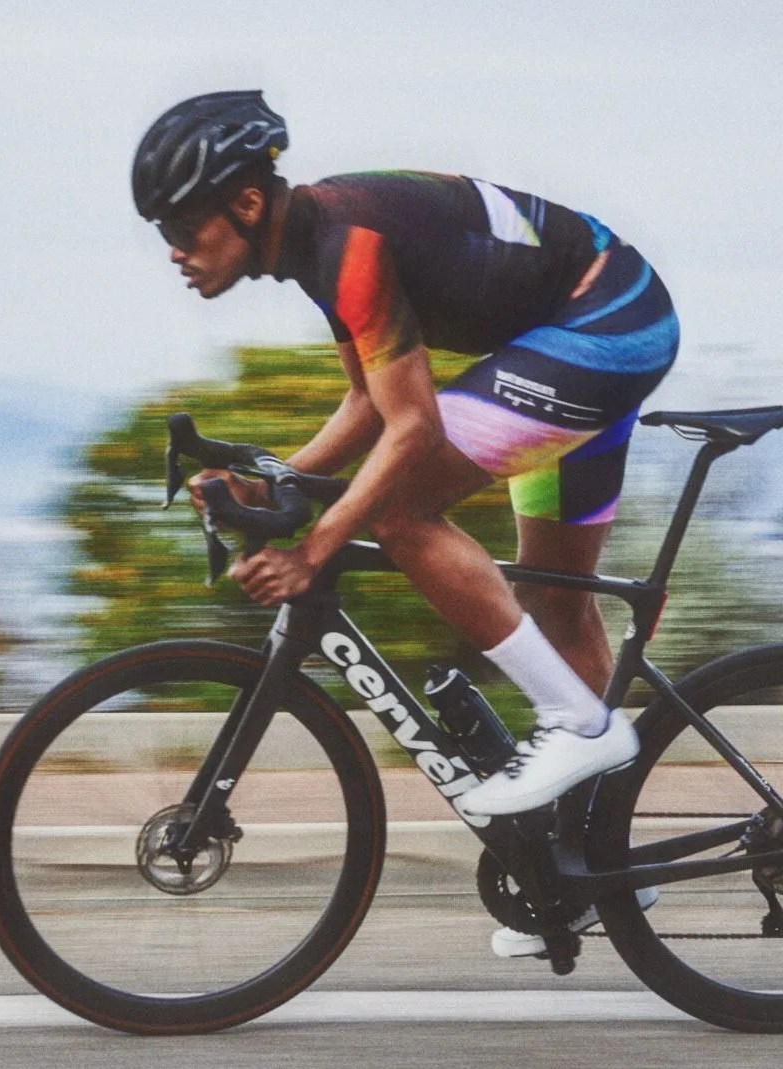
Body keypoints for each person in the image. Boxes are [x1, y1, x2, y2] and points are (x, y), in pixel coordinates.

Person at [131, 90, 679, 823]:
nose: (173, 248)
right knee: (558, 602)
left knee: (398, 513)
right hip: (595, 332)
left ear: (249, 203)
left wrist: (315, 548)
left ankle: (577, 724)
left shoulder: (346, 247)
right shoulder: (318, 245)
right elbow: (369, 400)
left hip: (605, 326)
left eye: (180, 223)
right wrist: (273, 481)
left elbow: (412, 426)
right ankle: (600, 870)